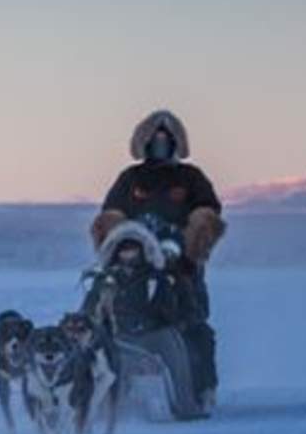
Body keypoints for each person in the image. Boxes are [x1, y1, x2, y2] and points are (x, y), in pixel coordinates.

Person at [89, 109, 223, 403]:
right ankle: (94, 383)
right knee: (101, 305)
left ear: (177, 142)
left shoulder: (190, 177)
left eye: (166, 138)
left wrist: (194, 243)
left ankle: (201, 387)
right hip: (134, 256)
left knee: (192, 320)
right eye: (155, 138)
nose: (160, 143)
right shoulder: (131, 178)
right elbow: (111, 211)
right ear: (143, 142)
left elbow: (209, 210)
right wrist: (114, 240)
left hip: (179, 259)